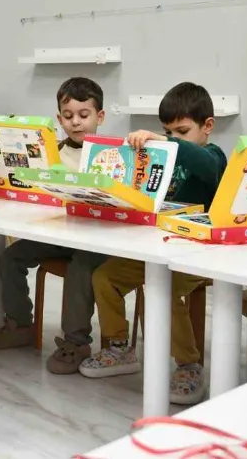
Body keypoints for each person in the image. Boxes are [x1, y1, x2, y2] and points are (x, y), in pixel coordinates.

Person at [79, 82, 226, 406]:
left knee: (165, 287)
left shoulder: (214, 155)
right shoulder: (165, 155)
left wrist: (167, 142)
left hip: (198, 253)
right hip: (156, 248)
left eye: (182, 131)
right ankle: (120, 349)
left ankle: (188, 364)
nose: (173, 137)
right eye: (168, 131)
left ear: (207, 126)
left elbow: (207, 165)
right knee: (104, 277)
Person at [0, 77, 110, 374]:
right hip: (60, 234)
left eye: (84, 115)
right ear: (59, 118)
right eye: (68, 116)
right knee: (11, 257)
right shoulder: (52, 152)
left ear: (100, 116)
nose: (75, 122)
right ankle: (20, 325)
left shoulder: (110, 154)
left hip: (99, 240)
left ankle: (76, 342)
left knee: (80, 269)